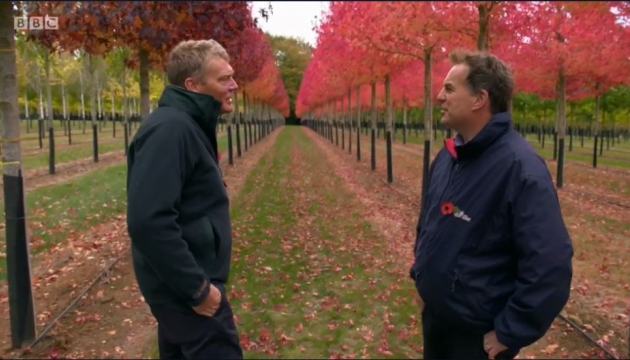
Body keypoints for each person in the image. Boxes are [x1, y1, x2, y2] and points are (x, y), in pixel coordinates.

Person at [409, 49, 573, 360]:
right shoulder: (447, 157)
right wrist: (422, 278)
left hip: (476, 338)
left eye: (449, 88)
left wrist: (510, 332)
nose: (439, 97)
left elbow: (550, 265)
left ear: (479, 99)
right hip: (438, 321)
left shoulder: (520, 168)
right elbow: (430, 224)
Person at [126, 39, 242, 359]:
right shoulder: (170, 130)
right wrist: (199, 291)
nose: (233, 85)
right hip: (189, 295)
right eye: (223, 79)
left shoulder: (187, 124)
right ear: (192, 85)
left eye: (231, 76)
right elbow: (148, 222)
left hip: (184, 292)